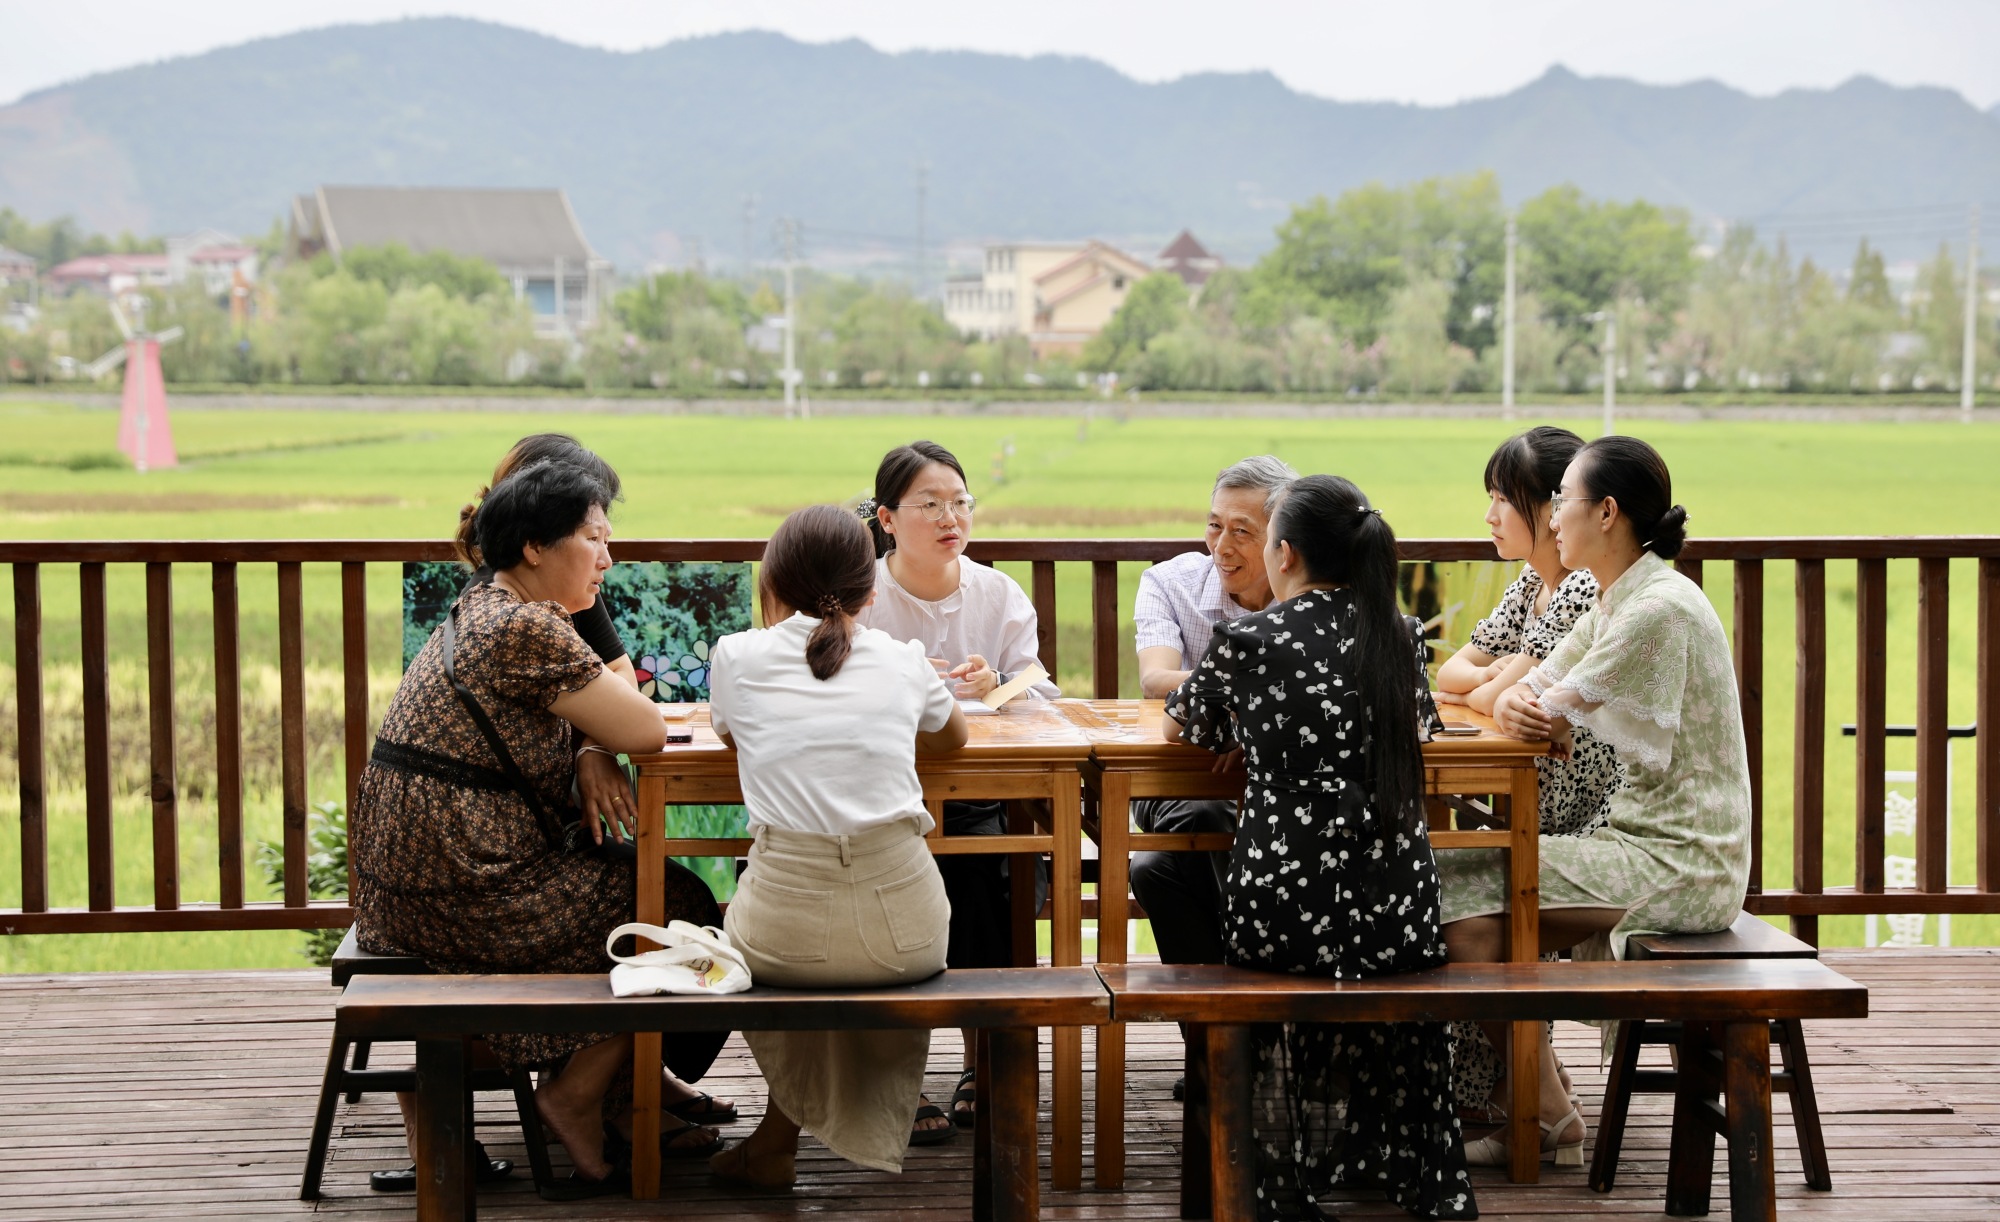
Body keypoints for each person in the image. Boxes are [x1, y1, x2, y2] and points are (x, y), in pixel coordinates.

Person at [350, 458, 728, 1199]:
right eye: (594, 539)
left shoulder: (481, 606)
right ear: (533, 548)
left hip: (406, 888)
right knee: (677, 908)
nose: (608, 559)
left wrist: (589, 746)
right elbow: (646, 729)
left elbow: (605, 718)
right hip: (465, 894)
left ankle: (604, 1092)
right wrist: (599, 739)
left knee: (640, 886)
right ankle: (580, 1095)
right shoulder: (526, 626)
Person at [1165, 475, 1475, 1221]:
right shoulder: (1399, 635)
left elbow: (1182, 726)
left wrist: (1251, 733)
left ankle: (1278, 1179)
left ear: (1285, 554)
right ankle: (1389, 1160)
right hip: (1395, 899)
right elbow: (1422, 728)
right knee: (1391, 991)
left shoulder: (1251, 639)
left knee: (1244, 959)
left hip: (1286, 898)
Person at [1438, 435, 1752, 1169]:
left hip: (1681, 863)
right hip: (1635, 846)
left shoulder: (1657, 609)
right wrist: (1520, 700)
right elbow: (1524, 695)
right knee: (1459, 902)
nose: (1553, 519)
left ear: (1606, 513)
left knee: (1448, 886)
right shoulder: (1617, 599)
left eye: (1563, 502)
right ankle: (1543, 1111)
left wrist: (1525, 701)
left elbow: (1544, 710)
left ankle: (1537, 1111)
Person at [704, 505, 969, 1187]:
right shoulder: (904, 661)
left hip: (783, 931)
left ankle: (774, 1143)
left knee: (783, 952)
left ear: (772, 583)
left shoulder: (735, 657)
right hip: (907, 933)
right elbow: (953, 738)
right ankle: (780, 1142)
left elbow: (732, 734)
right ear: (870, 590)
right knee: (846, 954)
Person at [853, 439, 1056, 1129]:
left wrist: (996, 684)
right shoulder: (863, 595)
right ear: (886, 519)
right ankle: (896, 1073)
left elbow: (1038, 686)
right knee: (889, 878)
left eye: (961, 503)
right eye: (931, 505)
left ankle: (982, 1057)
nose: (951, 518)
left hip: (978, 795)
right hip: (882, 797)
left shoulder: (996, 592)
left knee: (988, 869)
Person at [1433, 427, 1625, 1122]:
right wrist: (1492, 683)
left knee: (1452, 897)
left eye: (1500, 500)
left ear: (1551, 507)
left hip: (1583, 819)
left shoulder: (1579, 590)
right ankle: (1524, 1090)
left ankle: (1530, 1103)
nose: (1488, 516)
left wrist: (1491, 684)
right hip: (1537, 807)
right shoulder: (1531, 585)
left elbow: (1497, 688)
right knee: (1450, 880)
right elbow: (1456, 674)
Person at [1129, 454, 1297, 973]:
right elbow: (1156, 679)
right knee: (1204, 813)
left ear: (1282, 541)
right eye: (1214, 526)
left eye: (1242, 531)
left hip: (1283, 780)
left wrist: (1242, 720)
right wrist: (1256, 706)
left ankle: (1217, 1012)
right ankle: (1254, 977)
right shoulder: (1170, 582)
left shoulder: (1311, 594)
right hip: (1182, 775)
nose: (1222, 546)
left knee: (1154, 869)